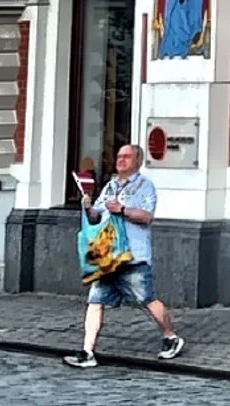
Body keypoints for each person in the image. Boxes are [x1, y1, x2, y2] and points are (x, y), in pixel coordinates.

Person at [64, 142, 184, 368]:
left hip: (133, 256)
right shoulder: (109, 186)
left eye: (127, 157)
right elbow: (96, 217)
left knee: (147, 299)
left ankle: (171, 337)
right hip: (108, 257)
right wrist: (89, 207)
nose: (121, 160)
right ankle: (88, 352)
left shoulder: (144, 186)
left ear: (137, 161)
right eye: (119, 156)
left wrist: (124, 210)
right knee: (95, 301)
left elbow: (147, 216)